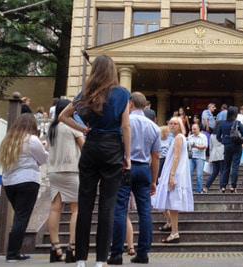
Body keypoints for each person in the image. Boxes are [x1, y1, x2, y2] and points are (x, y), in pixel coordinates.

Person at [59, 55, 131, 267]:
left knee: (85, 204)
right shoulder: (122, 93)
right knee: (107, 206)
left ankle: (81, 259)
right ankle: (100, 260)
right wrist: (127, 156)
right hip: (113, 149)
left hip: (91, 148)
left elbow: (63, 116)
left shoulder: (85, 94)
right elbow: (126, 127)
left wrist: (83, 129)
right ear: (112, 71)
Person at [108, 92, 160, 265]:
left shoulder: (125, 122)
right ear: (145, 106)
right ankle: (143, 253)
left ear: (130, 104)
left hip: (125, 167)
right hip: (144, 169)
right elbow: (156, 157)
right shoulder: (154, 127)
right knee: (145, 211)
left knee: (120, 209)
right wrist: (154, 180)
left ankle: (116, 254)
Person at [0, 114, 48, 262]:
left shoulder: (8, 140)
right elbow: (43, 159)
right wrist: (44, 147)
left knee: (19, 216)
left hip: (9, 182)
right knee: (21, 218)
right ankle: (12, 253)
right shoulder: (31, 139)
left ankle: (14, 251)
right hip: (27, 180)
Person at [46, 99, 85, 263]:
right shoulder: (71, 126)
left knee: (55, 208)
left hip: (54, 171)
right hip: (71, 170)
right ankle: (72, 247)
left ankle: (55, 248)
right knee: (76, 209)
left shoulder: (52, 128)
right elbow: (84, 147)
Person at [152, 117, 194, 243]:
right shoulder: (178, 137)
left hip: (175, 173)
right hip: (173, 172)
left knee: (173, 204)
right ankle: (171, 227)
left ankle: (174, 232)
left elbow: (176, 157)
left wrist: (172, 176)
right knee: (170, 202)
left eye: (175, 123)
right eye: (170, 123)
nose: (172, 125)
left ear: (180, 125)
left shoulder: (179, 138)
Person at [217, 106, 243, 193]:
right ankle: (233, 186)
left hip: (227, 146)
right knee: (235, 166)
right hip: (237, 145)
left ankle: (223, 186)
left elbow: (218, 136)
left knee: (226, 167)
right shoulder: (237, 123)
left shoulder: (222, 123)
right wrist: (240, 139)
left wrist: (224, 141)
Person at [187, 123, 208, 193]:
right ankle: (189, 190)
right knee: (189, 173)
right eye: (192, 129)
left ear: (199, 129)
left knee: (199, 175)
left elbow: (205, 146)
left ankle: (199, 190)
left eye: (195, 129)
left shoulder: (203, 136)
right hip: (191, 157)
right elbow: (187, 147)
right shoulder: (190, 137)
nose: (193, 130)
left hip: (200, 157)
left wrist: (195, 146)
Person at [205, 121, 224, 192]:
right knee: (222, 172)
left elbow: (210, 147)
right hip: (222, 154)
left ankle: (206, 187)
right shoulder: (223, 134)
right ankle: (221, 188)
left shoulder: (212, 135)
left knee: (215, 172)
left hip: (214, 154)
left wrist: (210, 157)